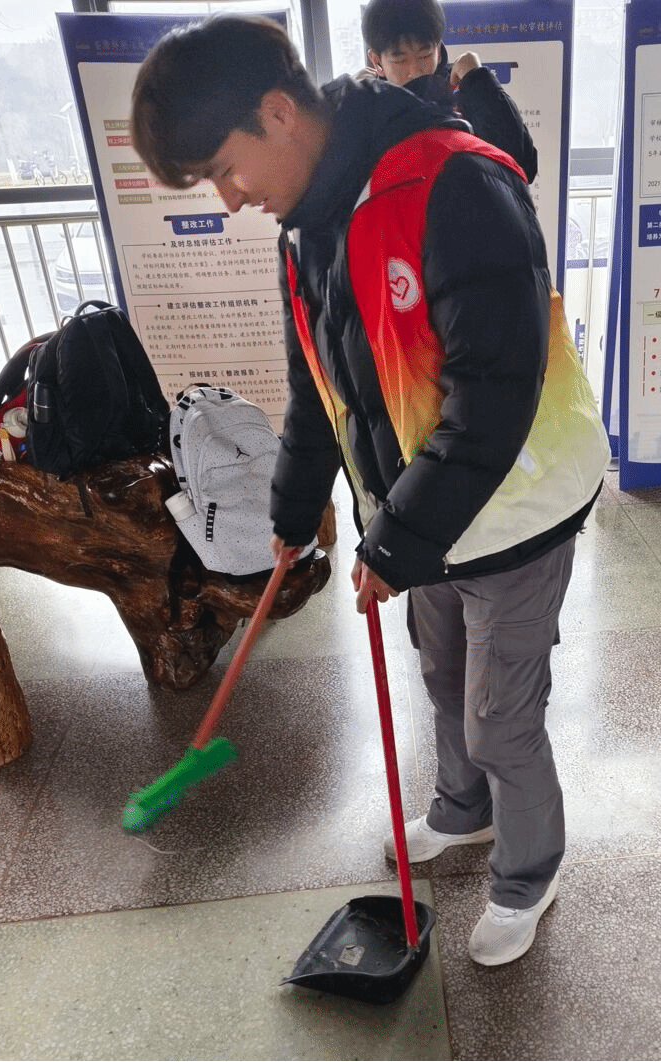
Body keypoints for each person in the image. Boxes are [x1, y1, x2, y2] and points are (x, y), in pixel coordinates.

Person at [130, 14, 608, 966]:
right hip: (425, 514)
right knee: (443, 677)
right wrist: (294, 510)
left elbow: (494, 397)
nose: (230, 199)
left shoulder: (455, 183)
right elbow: (318, 382)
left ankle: (529, 873)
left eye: (225, 169)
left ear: (277, 113)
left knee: (500, 716)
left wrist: (391, 544)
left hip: (517, 505)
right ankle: (463, 811)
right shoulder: (306, 226)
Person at [359, 0, 538, 182]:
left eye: (424, 55)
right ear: (376, 61)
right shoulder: (366, 109)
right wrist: (349, 113)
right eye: (400, 60)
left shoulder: (463, 89)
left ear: (438, 49)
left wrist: (478, 81)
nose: (415, 71)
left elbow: (523, 167)